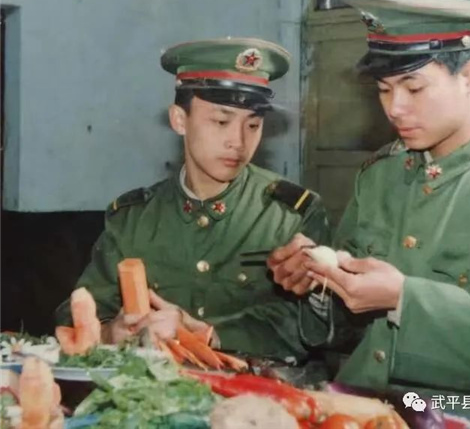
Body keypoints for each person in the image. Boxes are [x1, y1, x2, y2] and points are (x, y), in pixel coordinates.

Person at [268, 0, 470, 427]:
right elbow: (352, 328)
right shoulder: (381, 176)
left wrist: (405, 299)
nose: (395, 108)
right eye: (384, 90)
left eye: (414, 88)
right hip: (373, 407)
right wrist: (319, 282)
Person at [55, 38, 330, 361]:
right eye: (221, 121)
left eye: (253, 125)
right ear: (179, 120)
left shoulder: (291, 214)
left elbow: (316, 328)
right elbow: (78, 312)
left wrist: (208, 335)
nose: (238, 142)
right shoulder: (133, 218)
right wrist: (108, 333)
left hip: (261, 385)